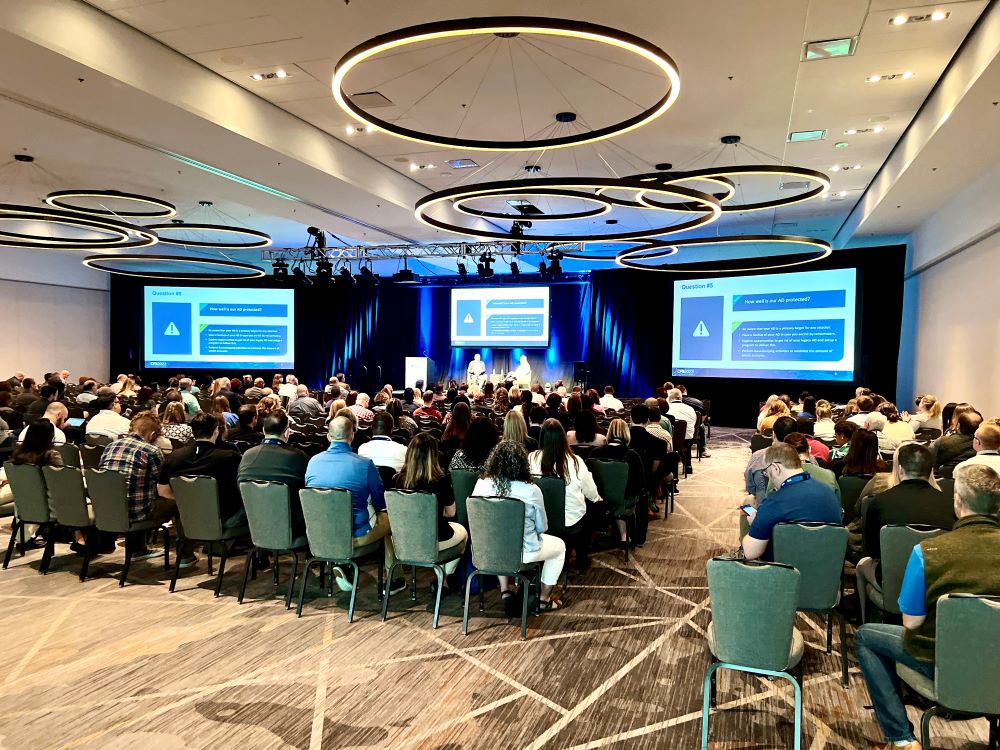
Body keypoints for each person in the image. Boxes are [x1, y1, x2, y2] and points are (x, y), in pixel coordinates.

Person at [855, 464, 1000, 750]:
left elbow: (911, 623)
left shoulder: (929, 552)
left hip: (943, 659)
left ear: (957, 502)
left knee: (865, 637)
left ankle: (901, 739)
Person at [305, 415, 404, 595]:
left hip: (320, 534)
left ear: (328, 436)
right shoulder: (364, 465)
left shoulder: (312, 462)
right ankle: (395, 578)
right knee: (391, 520)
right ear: (352, 436)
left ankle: (342, 562)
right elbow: (381, 502)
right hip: (356, 535)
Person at [855, 443, 955, 619]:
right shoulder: (950, 504)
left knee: (862, 564)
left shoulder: (879, 502)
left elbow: (871, 551)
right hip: (937, 580)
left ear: (900, 469)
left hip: (890, 579)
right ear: (931, 470)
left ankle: (863, 619)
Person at [472, 440, 566, 610]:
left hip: (486, 550)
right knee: (560, 548)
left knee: (498, 536)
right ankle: (544, 599)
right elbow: (542, 527)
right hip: (522, 553)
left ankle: (505, 590)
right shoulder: (531, 490)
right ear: (523, 463)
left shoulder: (481, 484)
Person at [392, 432, 468, 589]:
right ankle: (443, 578)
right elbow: (451, 512)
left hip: (404, 539)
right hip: (433, 538)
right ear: (433, 456)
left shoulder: (397, 480)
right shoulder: (440, 480)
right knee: (463, 533)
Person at [742, 444, 842, 561]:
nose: (768, 477)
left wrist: (755, 524)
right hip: (826, 574)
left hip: (783, 576)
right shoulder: (828, 493)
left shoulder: (774, 502)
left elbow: (750, 553)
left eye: (766, 472)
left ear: (775, 468)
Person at [530, 419, 602, 567]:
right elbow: (591, 493)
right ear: (563, 437)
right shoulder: (575, 462)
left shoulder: (531, 458)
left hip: (538, 520)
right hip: (568, 522)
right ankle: (582, 557)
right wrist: (597, 499)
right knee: (592, 507)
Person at [157, 413, 245, 531]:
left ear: (193, 433)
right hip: (224, 519)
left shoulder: (173, 457)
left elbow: (162, 491)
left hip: (188, 518)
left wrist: (188, 503)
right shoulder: (230, 457)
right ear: (216, 431)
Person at [784, 432, 840, 502]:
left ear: (785, 454)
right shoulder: (829, 476)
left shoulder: (777, 477)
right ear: (809, 449)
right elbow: (838, 506)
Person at [933, 409, 983, 478]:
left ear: (958, 425)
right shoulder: (986, 444)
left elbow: (932, 464)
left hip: (943, 482)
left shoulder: (942, 442)